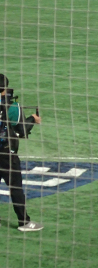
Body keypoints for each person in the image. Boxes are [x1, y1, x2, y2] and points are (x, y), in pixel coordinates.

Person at [0, 74, 44, 231]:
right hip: (6, 154)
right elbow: (21, 130)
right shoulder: (12, 107)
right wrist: (33, 119)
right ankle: (24, 222)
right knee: (16, 187)